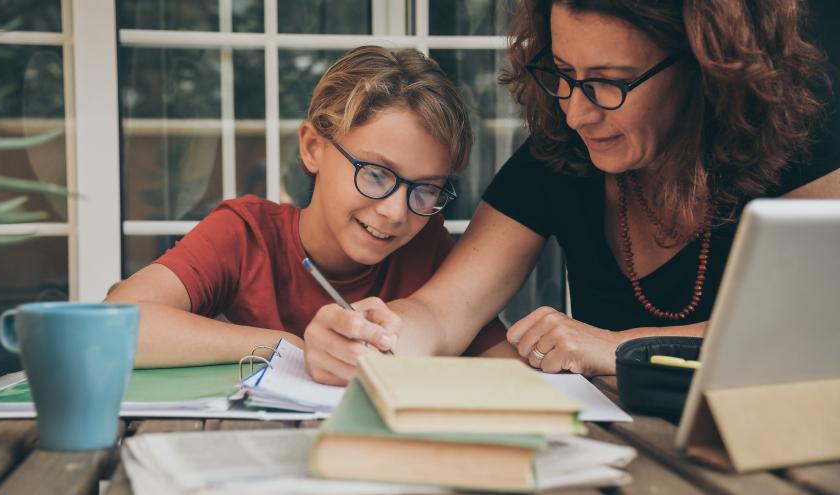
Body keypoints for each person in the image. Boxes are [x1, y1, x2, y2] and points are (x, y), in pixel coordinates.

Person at [303, 0, 840, 384]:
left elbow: (814, 332)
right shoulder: (559, 154)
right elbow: (443, 313)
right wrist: (378, 339)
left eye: (610, 81)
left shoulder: (803, 147)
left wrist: (616, 346)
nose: (576, 112)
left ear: (704, 67)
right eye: (563, 73)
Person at [106, 46, 513, 369]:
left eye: (425, 189)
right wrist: (289, 347)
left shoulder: (428, 249)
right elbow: (113, 326)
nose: (395, 211)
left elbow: (507, 373)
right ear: (313, 147)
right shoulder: (246, 236)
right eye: (375, 174)